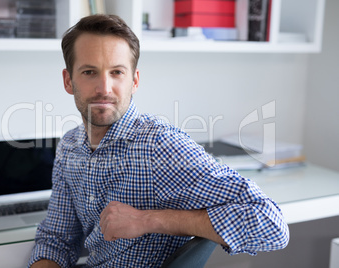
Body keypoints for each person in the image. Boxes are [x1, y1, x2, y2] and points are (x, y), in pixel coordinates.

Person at [28, 14, 289, 268]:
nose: (104, 88)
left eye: (117, 72)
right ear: (68, 81)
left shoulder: (160, 147)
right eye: (89, 72)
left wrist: (148, 220)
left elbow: (271, 224)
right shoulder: (70, 146)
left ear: (135, 81)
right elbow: (57, 239)